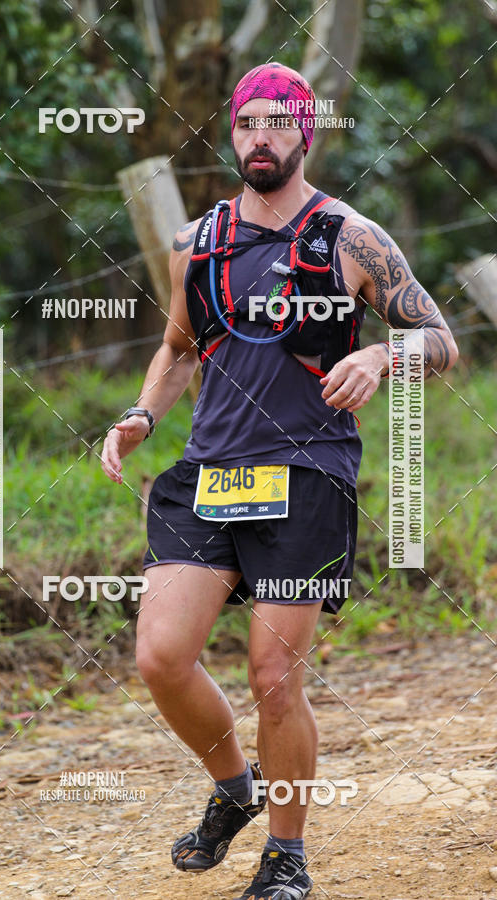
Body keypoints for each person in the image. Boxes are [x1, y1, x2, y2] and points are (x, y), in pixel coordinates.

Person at [101, 61, 458, 900]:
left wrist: (380, 354)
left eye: (276, 122)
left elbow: (441, 341)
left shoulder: (352, 238)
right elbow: (179, 347)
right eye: (246, 123)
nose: (259, 137)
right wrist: (143, 415)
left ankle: (287, 856)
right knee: (160, 657)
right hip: (210, 473)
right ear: (232, 134)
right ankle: (236, 788)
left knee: (274, 677)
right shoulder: (198, 242)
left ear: (308, 131)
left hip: (307, 473)